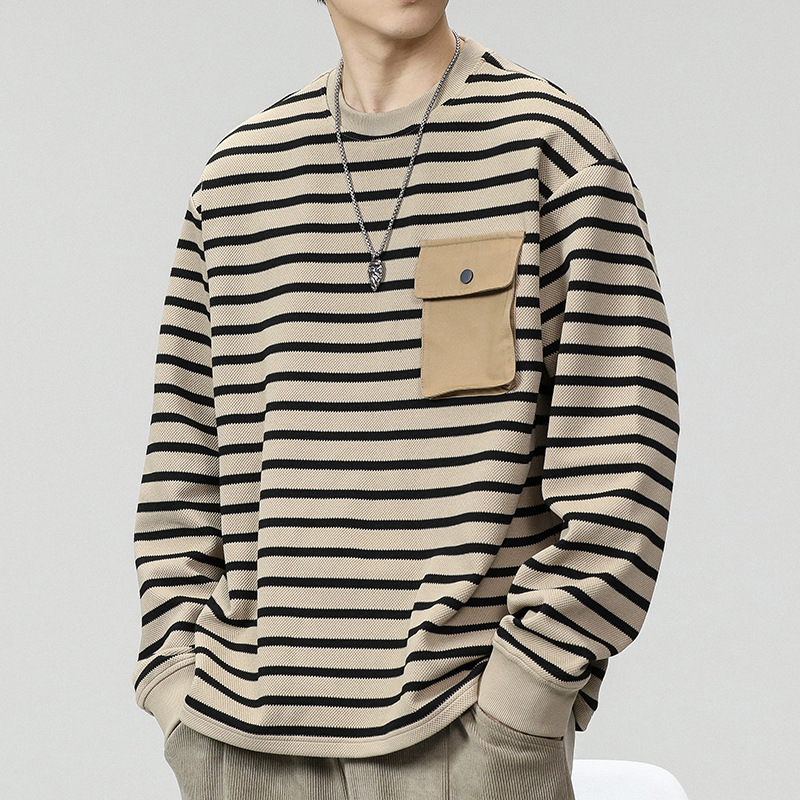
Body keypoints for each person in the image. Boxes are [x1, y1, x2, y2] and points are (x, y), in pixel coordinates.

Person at [131, 2, 680, 799]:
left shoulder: (549, 148)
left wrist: (525, 698)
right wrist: (175, 688)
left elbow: (622, 457)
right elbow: (182, 467)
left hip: (463, 734)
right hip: (238, 745)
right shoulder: (237, 179)